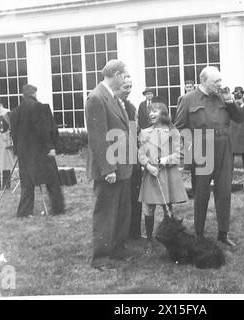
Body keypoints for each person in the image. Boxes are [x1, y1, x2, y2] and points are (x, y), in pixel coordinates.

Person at [175, 66, 243, 247]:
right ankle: (199, 233)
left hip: (223, 147)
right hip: (201, 149)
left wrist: (230, 102)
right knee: (201, 192)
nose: (220, 84)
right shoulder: (188, 99)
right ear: (203, 81)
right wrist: (191, 148)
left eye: (220, 80)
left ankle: (223, 233)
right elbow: (180, 126)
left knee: (224, 191)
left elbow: (239, 119)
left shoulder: (223, 97)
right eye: (216, 82)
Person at [85, 59, 134, 267]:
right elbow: (98, 137)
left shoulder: (112, 97)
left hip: (122, 167)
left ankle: (117, 250)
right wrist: (108, 169)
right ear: (116, 75)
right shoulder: (97, 98)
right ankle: (101, 259)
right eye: (124, 75)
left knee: (122, 212)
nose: (126, 79)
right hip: (110, 169)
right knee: (106, 213)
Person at [10, 84, 64, 217]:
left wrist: (17, 151)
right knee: (52, 181)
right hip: (41, 152)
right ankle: (58, 209)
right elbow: (45, 130)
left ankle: (24, 212)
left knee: (27, 184)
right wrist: (51, 147)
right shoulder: (40, 107)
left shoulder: (15, 111)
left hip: (24, 154)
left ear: (23, 95)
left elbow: (14, 134)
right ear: (34, 94)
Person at [138, 102, 188, 243]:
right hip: (151, 174)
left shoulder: (174, 132)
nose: (151, 114)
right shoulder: (145, 132)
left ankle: (170, 238)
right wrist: (148, 166)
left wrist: (164, 160)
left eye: (155, 111)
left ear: (164, 114)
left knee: (167, 206)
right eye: (150, 111)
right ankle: (149, 240)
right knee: (148, 208)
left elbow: (179, 155)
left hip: (168, 175)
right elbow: (141, 154)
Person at [115, 76, 143, 240]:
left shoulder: (131, 108)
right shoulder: (111, 106)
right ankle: (120, 234)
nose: (128, 90)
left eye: (130, 86)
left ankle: (134, 232)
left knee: (135, 196)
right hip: (118, 158)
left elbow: (135, 132)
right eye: (125, 86)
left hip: (133, 159)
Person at [230, 87, 244, 175]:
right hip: (233, 131)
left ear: (243, 94)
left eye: (239, 93)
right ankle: (229, 174)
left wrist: (242, 104)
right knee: (230, 155)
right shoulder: (230, 104)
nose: (238, 95)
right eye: (236, 93)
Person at [0, 93, 16, 190]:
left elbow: (12, 126)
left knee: (5, 161)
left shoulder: (6, 112)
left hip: (3, 139)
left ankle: (6, 185)